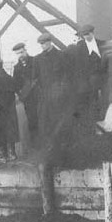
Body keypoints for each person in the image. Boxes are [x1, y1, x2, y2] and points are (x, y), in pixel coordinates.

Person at [34, 33, 74, 163]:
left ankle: (62, 155)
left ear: (50, 42)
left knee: (60, 125)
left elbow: (67, 76)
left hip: (60, 98)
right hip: (46, 99)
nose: (42, 46)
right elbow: (36, 79)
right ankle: (50, 155)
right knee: (47, 126)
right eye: (41, 44)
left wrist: (61, 91)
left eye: (44, 43)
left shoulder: (61, 56)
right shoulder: (38, 59)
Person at [68, 24, 106, 134]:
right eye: (84, 35)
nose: (86, 37)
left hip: (101, 83)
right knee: (90, 108)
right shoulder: (79, 47)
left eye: (88, 34)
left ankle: (103, 132)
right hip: (86, 86)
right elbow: (77, 67)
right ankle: (91, 132)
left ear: (92, 33)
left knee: (102, 107)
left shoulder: (102, 44)